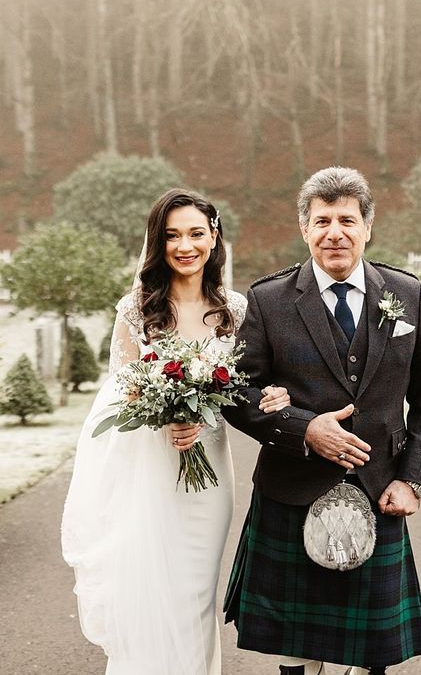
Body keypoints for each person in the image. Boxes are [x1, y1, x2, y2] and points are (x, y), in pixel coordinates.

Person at [222, 167, 421, 675]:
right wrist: (304, 429)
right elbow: (236, 393)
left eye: (347, 219)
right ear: (304, 229)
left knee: (372, 652)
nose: (335, 232)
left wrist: (414, 478)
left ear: (368, 227)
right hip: (291, 489)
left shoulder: (405, 293)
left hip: (379, 487)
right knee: (296, 648)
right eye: (321, 220)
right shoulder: (269, 299)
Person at [61, 188, 289, 675]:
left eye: (195, 233)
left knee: (196, 593)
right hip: (149, 469)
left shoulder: (238, 310)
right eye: (172, 235)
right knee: (149, 584)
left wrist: (277, 397)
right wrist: (163, 415)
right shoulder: (135, 310)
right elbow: (119, 392)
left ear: (214, 237)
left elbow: (251, 386)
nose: (184, 245)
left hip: (209, 478)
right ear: (157, 243)